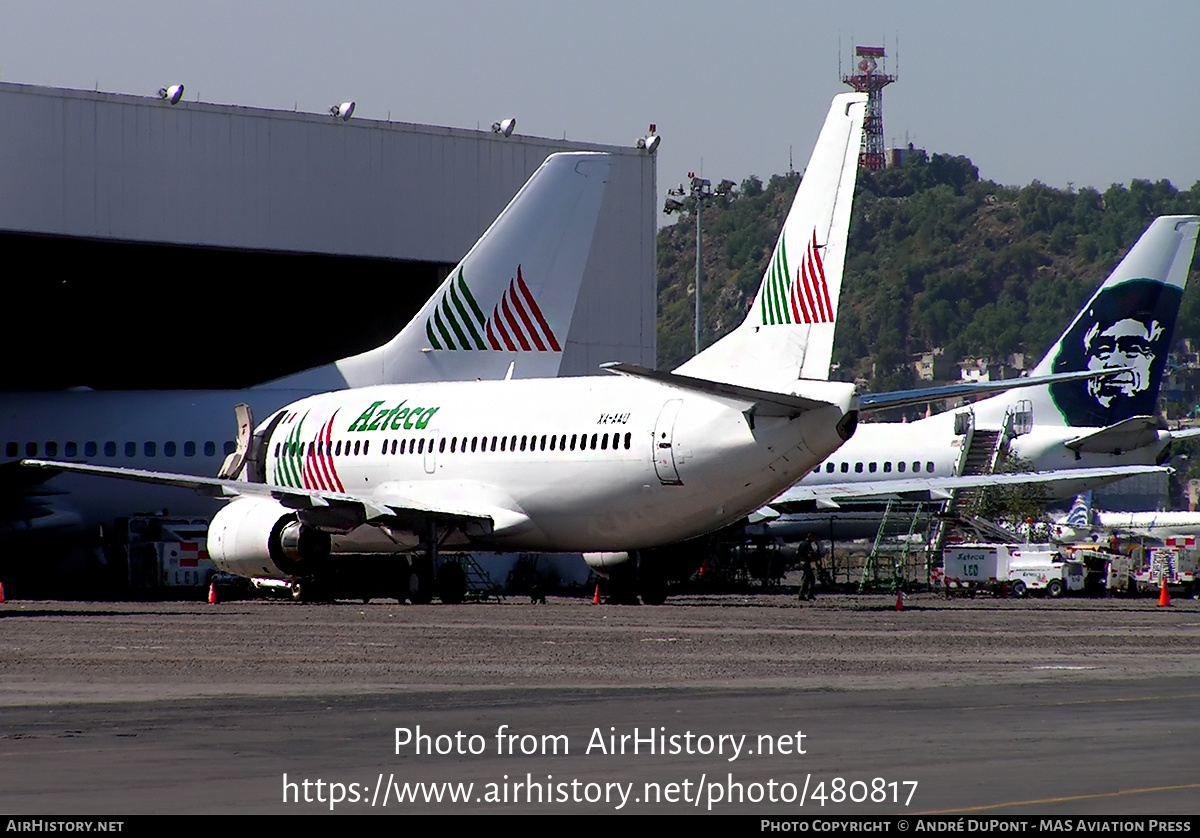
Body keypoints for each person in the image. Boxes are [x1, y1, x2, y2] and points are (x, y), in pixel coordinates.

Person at [797, 533, 822, 601]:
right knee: (808, 579)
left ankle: (808, 594)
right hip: (805, 563)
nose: (813, 540)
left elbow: (797, 552)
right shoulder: (807, 544)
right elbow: (809, 554)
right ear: (810, 537)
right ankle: (803, 594)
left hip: (802, 562)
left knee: (808, 578)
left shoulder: (802, 544)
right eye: (813, 538)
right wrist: (815, 559)